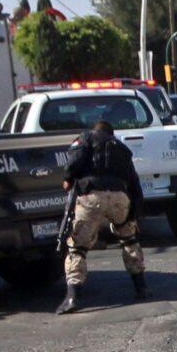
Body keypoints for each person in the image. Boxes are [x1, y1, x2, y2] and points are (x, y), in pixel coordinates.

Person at [58, 118, 145, 314]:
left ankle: (72, 296)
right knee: (129, 240)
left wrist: (67, 178)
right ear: (111, 133)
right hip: (120, 198)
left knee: (77, 247)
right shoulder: (122, 148)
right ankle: (141, 287)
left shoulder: (85, 138)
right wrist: (134, 214)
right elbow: (134, 184)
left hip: (91, 196)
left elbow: (74, 160)